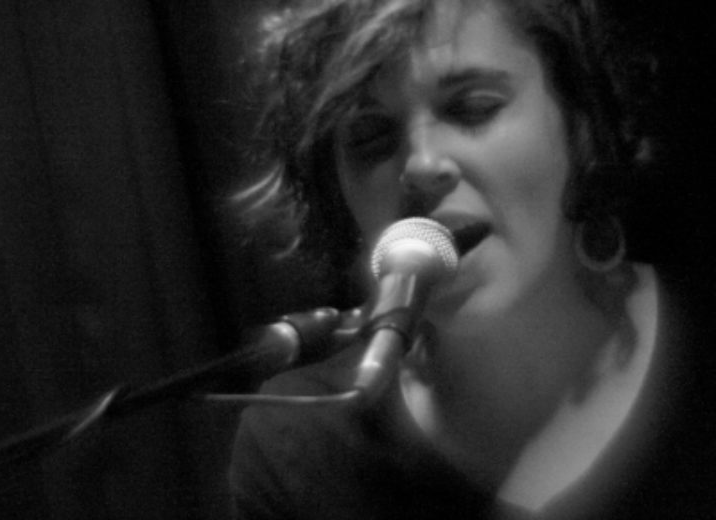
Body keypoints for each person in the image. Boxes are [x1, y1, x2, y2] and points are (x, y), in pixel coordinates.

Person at [227, 0, 714, 518]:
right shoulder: (299, 444)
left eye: (474, 107)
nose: (422, 166)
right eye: (371, 137)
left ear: (582, 125)